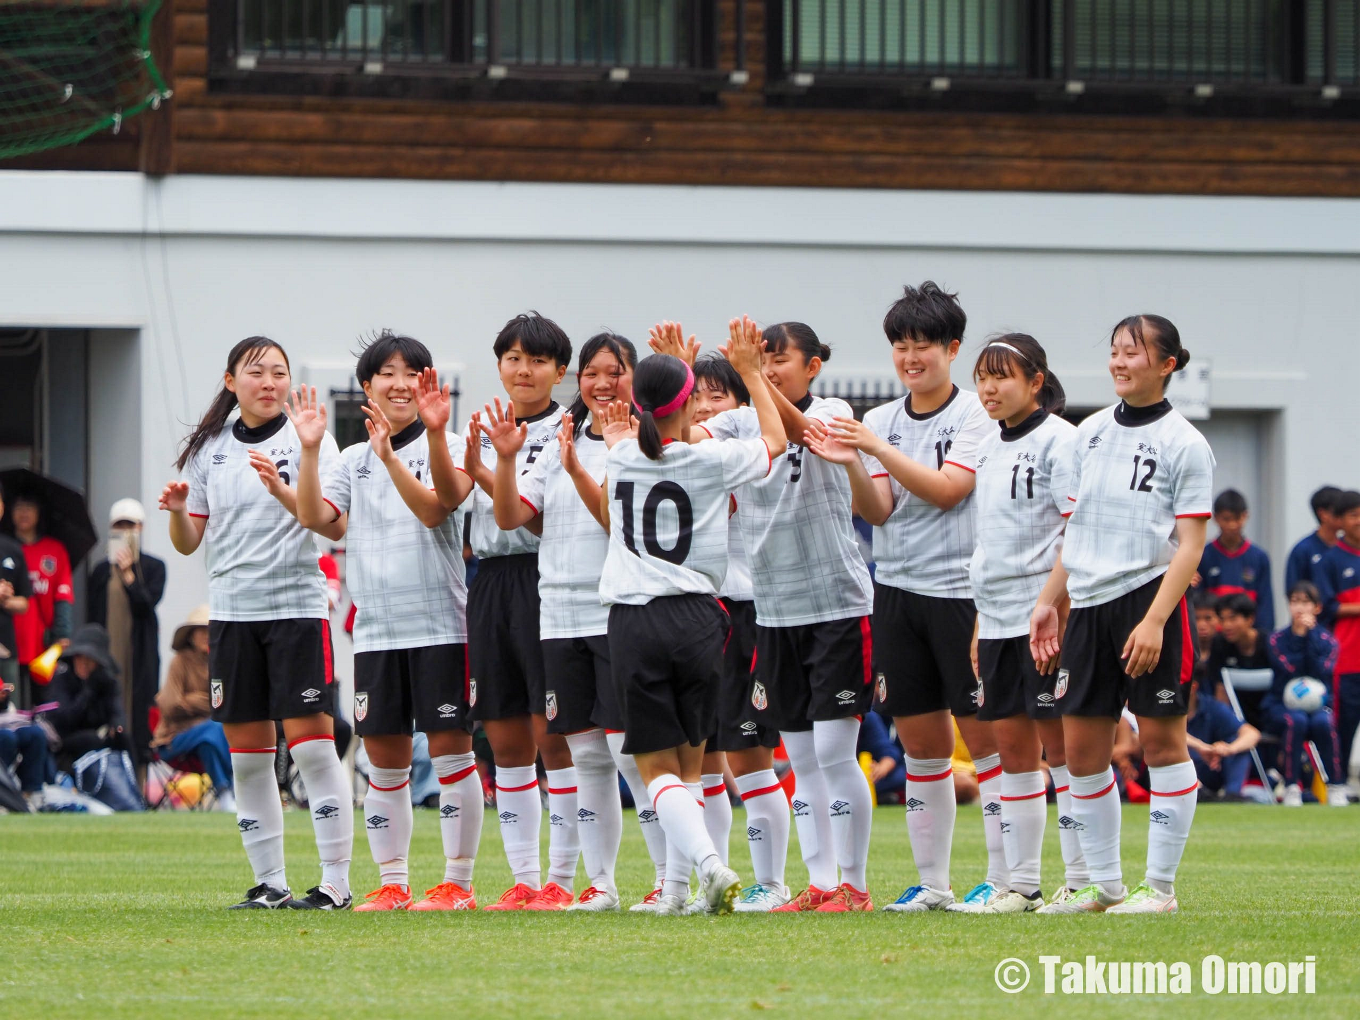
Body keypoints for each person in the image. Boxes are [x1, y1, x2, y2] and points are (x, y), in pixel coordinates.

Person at [278, 332, 482, 912]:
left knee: (450, 753)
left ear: (428, 383)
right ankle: (393, 883)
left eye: (412, 372)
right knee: (383, 758)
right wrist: (312, 451)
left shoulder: (454, 440)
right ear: (366, 387)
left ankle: (457, 885)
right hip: (376, 630)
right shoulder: (350, 457)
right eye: (386, 373)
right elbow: (321, 520)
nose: (400, 383)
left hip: (442, 622)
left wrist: (394, 458)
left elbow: (438, 505)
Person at [819, 282, 1003, 913]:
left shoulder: (976, 414)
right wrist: (849, 461)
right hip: (896, 593)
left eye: (923, 344)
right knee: (921, 748)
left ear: (952, 349)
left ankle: (1007, 883)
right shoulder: (879, 421)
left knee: (986, 745)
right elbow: (879, 509)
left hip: (962, 595)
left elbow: (950, 490)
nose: (910, 357)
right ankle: (934, 884)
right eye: (900, 345)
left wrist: (873, 449)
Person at [161, 336, 354, 910]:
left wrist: (298, 472)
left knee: (315, 751)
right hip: (233, 618)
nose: (269, 382)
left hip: (295, 611)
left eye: (279, 373)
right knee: (249, 759)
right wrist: (175, 513)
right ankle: (270, 883)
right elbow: (189, 541)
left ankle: (336, 885)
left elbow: (333, 527)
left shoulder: (309, 435)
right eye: (256, 372)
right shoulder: (210, 450)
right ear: (230, 382)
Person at [1030, 313, 1214, 915]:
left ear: (1166, 364)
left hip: (1148, 599)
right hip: (1087, 604)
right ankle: (1102, 886)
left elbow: (1190, 544)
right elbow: (1072, 530)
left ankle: (1158, 889)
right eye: (1114, 351)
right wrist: (1048, 603)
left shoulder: (1186, 442)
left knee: (1162, 745)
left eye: (1133, 352)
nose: (1119, 362)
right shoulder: (1087, 433)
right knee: (1082, 752)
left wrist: (1157, 620)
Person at [598, 324, 782, 915]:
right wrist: (750, 370)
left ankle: (707, 867)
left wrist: (667, 374)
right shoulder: (710, 459)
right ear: (685, 403)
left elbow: (643, 437)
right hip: (702, 617)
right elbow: (774, 439)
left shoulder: (620, 451)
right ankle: (680, 892)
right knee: (693, 766)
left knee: (658, 771)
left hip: (636, 618)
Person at [697, 319, 877, 914]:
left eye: (780, 360)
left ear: (813, 367)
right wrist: (675, 371)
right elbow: (689, 431)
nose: (769, 370)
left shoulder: (833, 407)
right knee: (799, 758)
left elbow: (801, 433)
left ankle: (852, 883)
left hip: (836, 605)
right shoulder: (739, 420)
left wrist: (750, 375)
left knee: (833, 752)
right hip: (775, 612)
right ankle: (820, 883)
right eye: (761, 360)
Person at [487, 332, 639, 912]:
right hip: (558, 615)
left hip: (617, 611)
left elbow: (619, 525)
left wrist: (579, 467)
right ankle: (600, 885)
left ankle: (667, 881)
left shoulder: (644, 439)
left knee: (630, 751)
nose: (602, 383)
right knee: (586, 754)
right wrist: (504, 459)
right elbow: (510, 517)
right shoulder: (555, 439)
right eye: (593, 373)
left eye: (615, 372)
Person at [655, 336, 792, 912]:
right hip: (697, 612)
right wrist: (677, 374)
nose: (706, 406)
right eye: (697, 395)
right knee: (704, 757)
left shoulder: (744, 445)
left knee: (748, 752)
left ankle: (772, 882)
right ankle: (705, 883)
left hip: (745, 605)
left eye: (718, 395)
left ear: (740, 403)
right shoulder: (692, 450)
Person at [458, 313, 581, 912]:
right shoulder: (476, 426)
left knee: (552, 735)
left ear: (561, 371)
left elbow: (535, 514)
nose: (522, 369)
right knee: (504, 739)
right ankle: (525, 879)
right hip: (489, 582)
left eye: (536, 360)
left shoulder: (573, 427)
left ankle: (561, 877)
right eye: (511, 357)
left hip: (547, 577)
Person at [963, 333, 1089, 912]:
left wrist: (1054, 608)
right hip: (995, 620)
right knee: (1013, 751)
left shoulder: (1063, 442)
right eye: (982, 377)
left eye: (1002, 376)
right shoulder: (986, 445)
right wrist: (979, 624)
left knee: (1062, 751)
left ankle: (1083, 878)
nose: (989, 388)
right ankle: (1023, 884)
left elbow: (1076, 534)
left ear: (1035, 381)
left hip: (1046, 618)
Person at [88, 498, 166, 766]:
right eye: (119, 525)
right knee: (106, 709)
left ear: (140, 528)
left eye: (130, 525)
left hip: (139, 655)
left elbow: (147, 606)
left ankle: (139, 778)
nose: (125, 531)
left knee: (139, 711)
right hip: (107, 654)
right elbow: (92, 616)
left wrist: (130, 576)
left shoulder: (154, 567)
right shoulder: (99, 572)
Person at [1264, 581, 1347, 807]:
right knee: (1296, 720)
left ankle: (1336, 786)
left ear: (1317, 608)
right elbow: (1290, 670)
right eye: (1294, 602)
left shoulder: (1327, 641)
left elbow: (1321, 671)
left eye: (1305, 602)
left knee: (1324, 722)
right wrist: (1299, 637)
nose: (1299, 608)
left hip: (1319, 705)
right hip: (1281, 705)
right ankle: (1292, 786)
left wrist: (1308, 636)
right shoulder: (1276, 639)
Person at [152, 604, 235, 811]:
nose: (206, 635)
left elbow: (228, 704)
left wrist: (191, 702)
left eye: (210, 630)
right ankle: (234, 787)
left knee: (209, 741)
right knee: (215, 729)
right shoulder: (179, 663)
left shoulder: (222, 664)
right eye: (201, 630)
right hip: (173, 739)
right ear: (190, 635)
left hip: (210, 739)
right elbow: (170, 705)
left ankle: (226, 793)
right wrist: (205, 702)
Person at [8, 492, 73, 708]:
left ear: (39, 512)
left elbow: (63, 595)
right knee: (11, 706)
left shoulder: (55, 551)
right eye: (18, 507)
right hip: (8, 641)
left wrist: (62, 634)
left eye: (29, 506)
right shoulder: (5, 548)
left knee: (45, 705)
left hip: (43, 642)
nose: (23, 512)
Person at [1314, 489, 1360, 787]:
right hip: (1347, 659)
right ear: (1340, 521)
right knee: (1343, 725)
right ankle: (1337, 784)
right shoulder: (1330, 560)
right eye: (1354, 515)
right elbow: (1326, 607)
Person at [43, 623, 137, 765]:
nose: (84, 664)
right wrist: (88, 692)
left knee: (124, 740)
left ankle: (130, 782)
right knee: (91, 739)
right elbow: (65, 718)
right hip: (65, 738)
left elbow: (117, 711)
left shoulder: (108, 682)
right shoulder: (61, 679)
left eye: (90, 660)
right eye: (80, 658)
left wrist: (117, 727)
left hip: (99, 734)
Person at [1197, 489, 1274, 631]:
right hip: (1213, 638)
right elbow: (1197, 602)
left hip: (1246, 637)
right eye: (1226, 519)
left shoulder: (1259, 557)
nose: (1232, 525)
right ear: (1215, 518)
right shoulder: (1202, 556)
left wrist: (1262, 638)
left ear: (1246, 516)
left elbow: (1265, 606)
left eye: (1237, 518)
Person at [1205, 593, 1272, 725]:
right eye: (1222, 620)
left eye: (1233, 618)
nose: (1226, 625)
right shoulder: (1219, 644)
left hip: (1269, 712)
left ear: (1250, 619)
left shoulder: (1271, 643)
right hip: (1237, 716)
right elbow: (1220, 690)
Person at [1185, 681, 1259, 800]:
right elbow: (1164, 731)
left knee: (1238, 744)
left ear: (1193, 688)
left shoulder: (1211, 706)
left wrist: (1228, 749)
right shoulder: (1162, 708)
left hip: (1209, 768)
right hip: (1179, 769)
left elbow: (1252, 734)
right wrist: (1199, 746)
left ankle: (1232, 796)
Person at [0, 488, 33, 696]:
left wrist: (5, 600)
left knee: (10, 713)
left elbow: (25, 602)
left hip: (6, 645)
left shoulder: (12, 548)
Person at [1285, 486, 1343, 591]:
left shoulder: (1348, 548)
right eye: (1340, 511)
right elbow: (1293, 590)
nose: (1344, 516)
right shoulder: (1303, 550)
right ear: (1323, 514)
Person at [858, 710, 906, 803]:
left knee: (902, 775)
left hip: (867, 774)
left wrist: (881, 768)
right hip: (833, 775)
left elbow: (887, 750)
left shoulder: (866, 714)